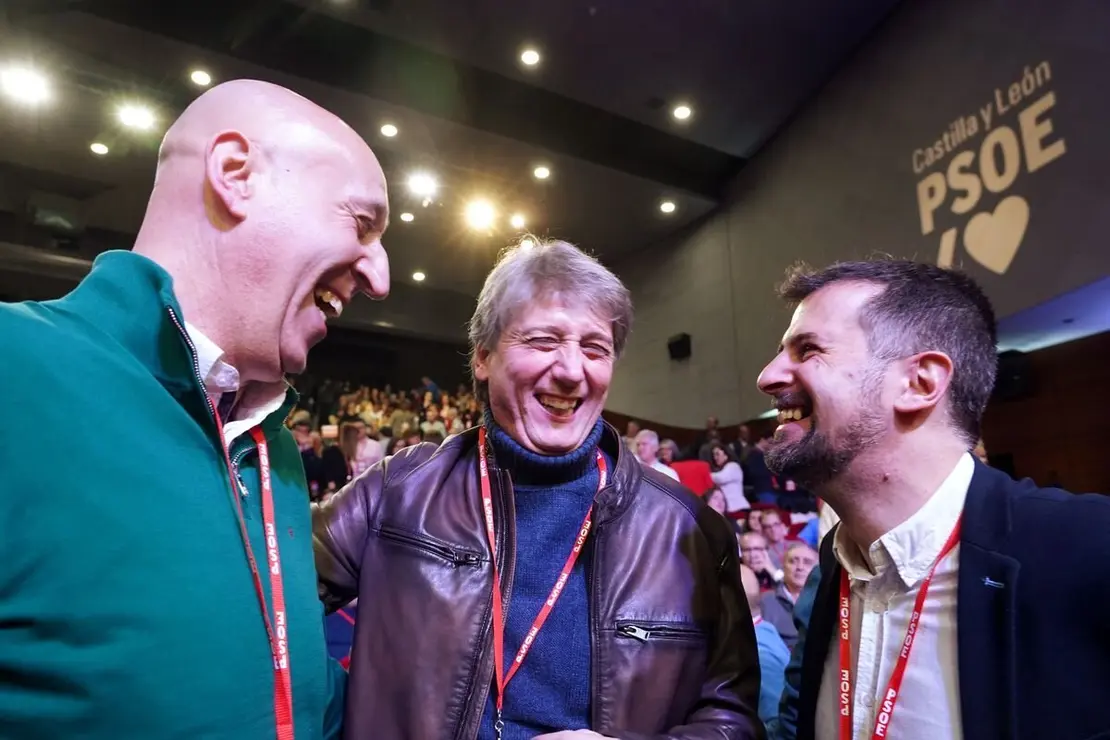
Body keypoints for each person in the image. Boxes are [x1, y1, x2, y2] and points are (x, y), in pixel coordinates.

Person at [0, 79, 390, 738]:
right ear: (236, 174)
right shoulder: (13, 366)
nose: (380, 277)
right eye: (361, 222)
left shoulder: (276, 453)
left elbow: (297, 700)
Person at [313, 239, 761, 739]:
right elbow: (264, 607)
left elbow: (733, 720)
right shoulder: (397, 490)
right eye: (544, 341)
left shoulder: (690, 527)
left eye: (595, 348)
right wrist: (344, 719)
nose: (572, 371)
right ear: (483, 358)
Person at [756, 259, 1110, 740]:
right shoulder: (834, 566)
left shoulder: (1089, 548)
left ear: (919, 382)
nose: (768, 376)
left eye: (808, 350)